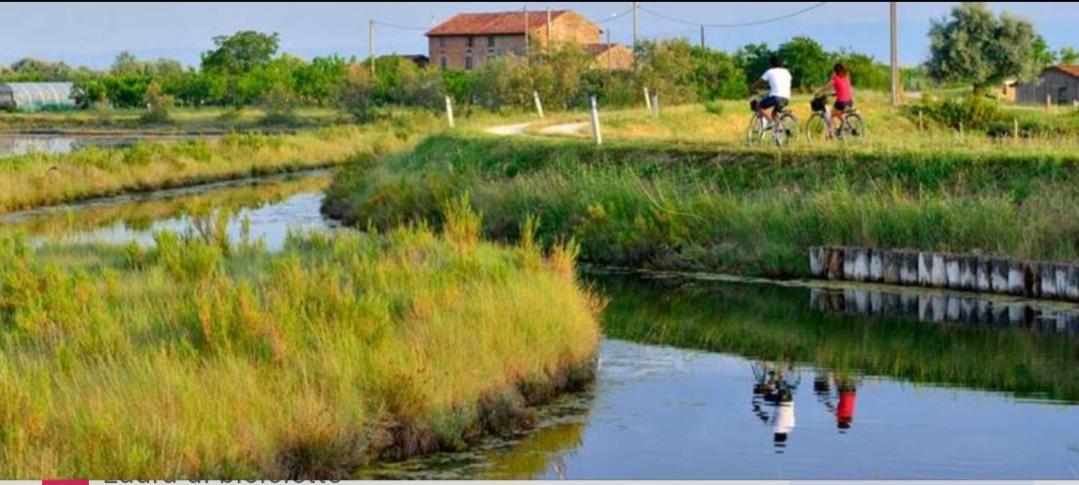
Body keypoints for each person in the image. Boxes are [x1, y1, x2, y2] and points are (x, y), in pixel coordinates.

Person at [814, 63, 854, 138]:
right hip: (850, 101)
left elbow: (827, 86)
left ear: (835, 71)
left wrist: (819, 92)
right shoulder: (847, 77)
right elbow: (844, 88)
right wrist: (836, 93)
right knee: (837, 113)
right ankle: (844, 127)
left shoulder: (835, 78)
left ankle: (832, 132)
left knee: (831, 114)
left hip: (841, 101)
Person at [750, 55, 792, 126]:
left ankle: (770, 121)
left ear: (771, 64)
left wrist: (752, 87)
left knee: (759, 106)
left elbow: (760, 82)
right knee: (774, 114)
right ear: (782, 63)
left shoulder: (770, 71)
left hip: (776, 97)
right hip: (786, 98)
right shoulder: (787, 72)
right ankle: (778, 134)